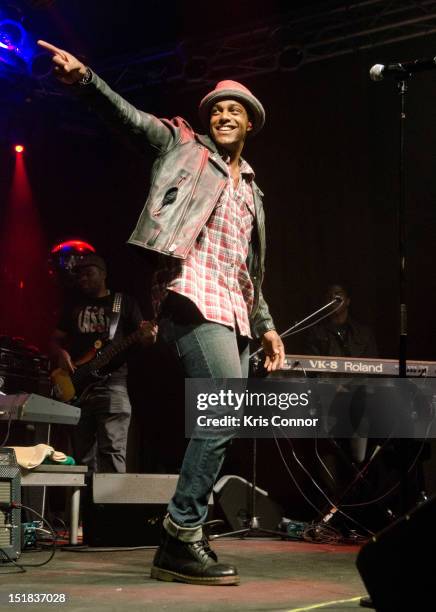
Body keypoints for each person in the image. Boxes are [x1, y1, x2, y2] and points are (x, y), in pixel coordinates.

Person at [39, 39, 285, 586]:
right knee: (221, 410)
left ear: (250, 125)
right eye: (217, 109)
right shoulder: (183, 146)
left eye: (234, 111)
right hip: (188, 296)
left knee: (225, 419)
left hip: (236, 311)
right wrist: (87, 80)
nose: (223, 115)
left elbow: (249, 271)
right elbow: (129, 120)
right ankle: (180, 534)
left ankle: (180, 536)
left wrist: (266, 327)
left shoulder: (252, 192)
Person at [51, 253, 157, 473]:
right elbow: (54, 339)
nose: (83, 279)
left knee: (112, 450)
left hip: (112, 384)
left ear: (104, 274)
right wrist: (60, 352)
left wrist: (150, 336)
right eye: (80, 275)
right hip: (77, 386)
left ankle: (111, 507)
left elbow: (144, 338)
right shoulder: (74, 304)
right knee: (81, 457)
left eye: (89, 273)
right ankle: (84, 507)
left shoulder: (123, 302)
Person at [305, 283, 378, 358]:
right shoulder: (317, 333)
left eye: (338, 294)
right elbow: (312, 363)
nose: (333, 297)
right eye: (330, 296)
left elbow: (374, 365)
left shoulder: (364, 333)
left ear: (347, 301)